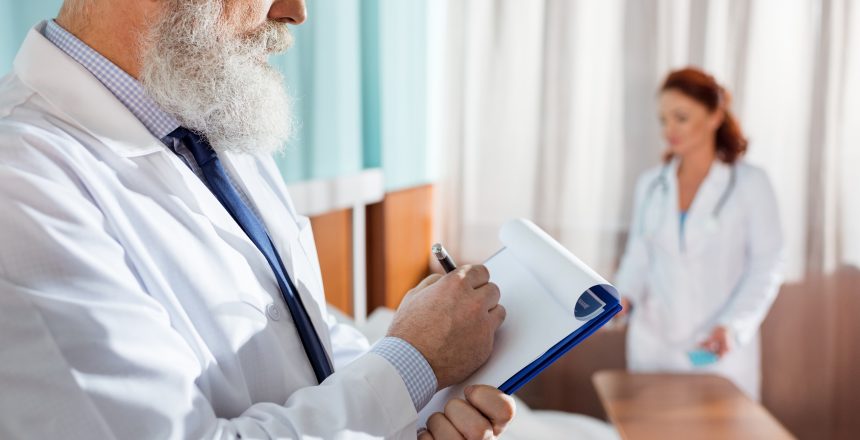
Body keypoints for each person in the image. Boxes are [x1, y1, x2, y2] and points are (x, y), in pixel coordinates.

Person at [0, 1, 515, 438]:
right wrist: (411, 362)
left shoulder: (206, 118)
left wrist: (421, 403)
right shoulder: (21, 184)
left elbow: (302, 340)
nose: (295, 12)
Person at [614, 67, 784, 400]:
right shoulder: (652, 185)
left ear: (714, 116)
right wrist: (622, 298)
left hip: (716, 349)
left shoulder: (750, 183)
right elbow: (638, 257)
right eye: (663, 120)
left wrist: (732, 326)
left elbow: (767, 266)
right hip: (653, 348)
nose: (669, 130)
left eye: (681, 117)